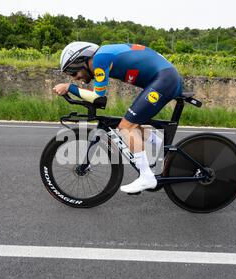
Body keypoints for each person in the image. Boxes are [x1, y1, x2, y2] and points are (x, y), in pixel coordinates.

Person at [53, 41, 183, 194]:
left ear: (82, 61)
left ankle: (147, 177)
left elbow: (97, 96)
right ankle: (158, 142)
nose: (75, 78)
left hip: (165, 79)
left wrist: (69, 88)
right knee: (131, 123)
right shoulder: (103, 55)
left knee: (126, 127)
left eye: (74, 73)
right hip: (163, 78)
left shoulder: (99, 59)